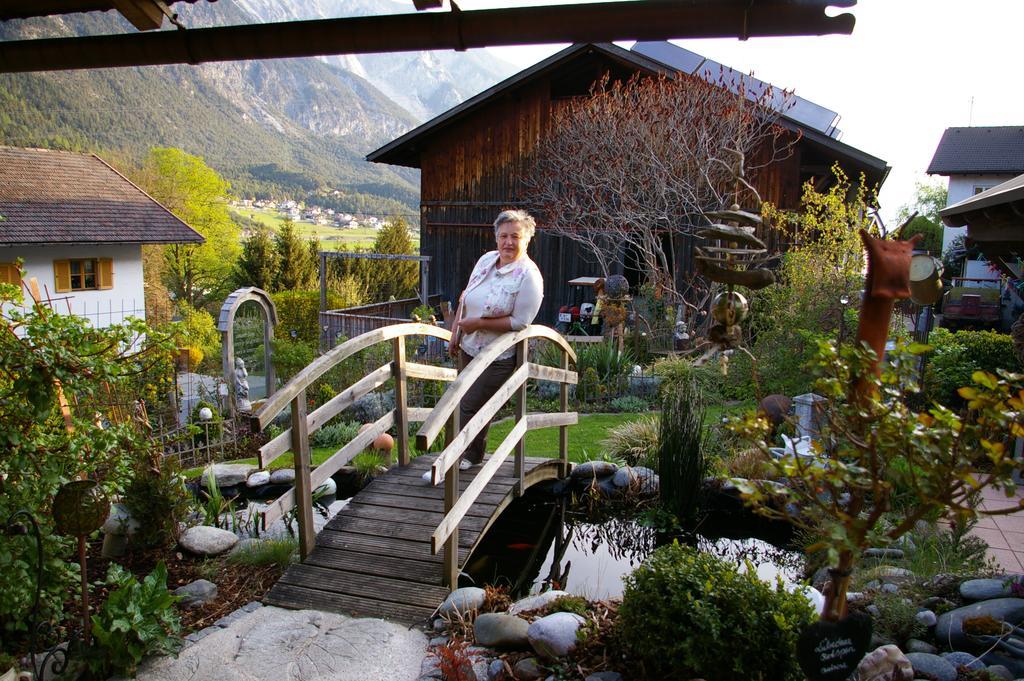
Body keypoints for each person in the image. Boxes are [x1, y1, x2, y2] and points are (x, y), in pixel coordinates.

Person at [424, 209, 544, 481]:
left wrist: (479, 324)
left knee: (467, 403)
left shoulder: (529, 276)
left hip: (499, 355)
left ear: (527, 239)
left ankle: (448, 462)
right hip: (469, 346)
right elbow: (466, 296)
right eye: (503, 236)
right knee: (465, 403)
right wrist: (455, 331)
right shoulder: (487, 260)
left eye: (515, 236)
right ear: (496, 238)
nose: (508, 242)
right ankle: (473, 456)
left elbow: (520, 322)